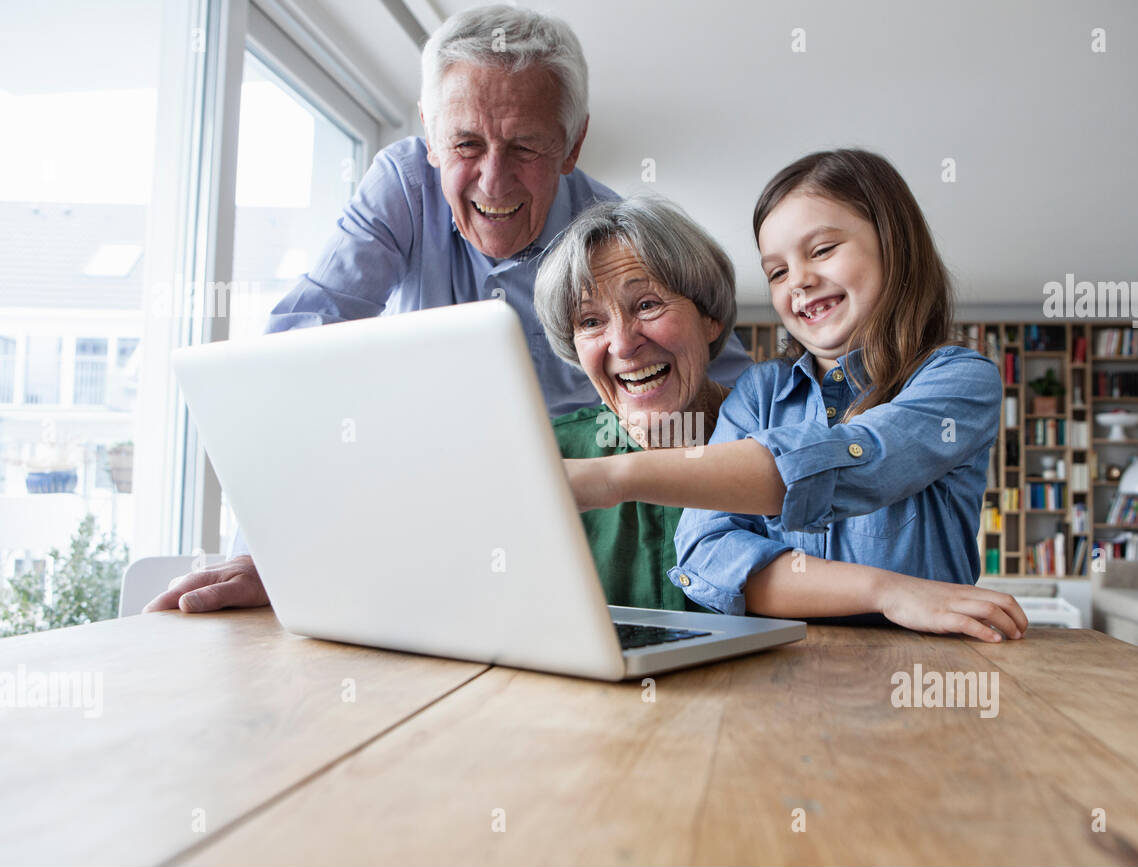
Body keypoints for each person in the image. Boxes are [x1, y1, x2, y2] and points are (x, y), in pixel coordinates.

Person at [145, 4, 750, 615]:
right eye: (465, 144)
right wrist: (283, 554)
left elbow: (731, 393)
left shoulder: (612, 237)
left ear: (572, 145)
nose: (493, 181)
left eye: (525, 147)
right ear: (430, 135)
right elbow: (292, 361)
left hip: (581, 515)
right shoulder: (405, 183)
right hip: (429, 509)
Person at [564, 149, 1028, 642]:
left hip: (920, 676)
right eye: (777, 271)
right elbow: (705, 551)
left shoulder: (957, 379)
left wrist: (612, 477)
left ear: (894, 245)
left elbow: (857, 462)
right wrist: (885, 591)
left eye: (823, 249)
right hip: (781, 683)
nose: (799, 281)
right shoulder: (759, 392)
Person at [538, 197, 736, 610]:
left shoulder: (775, 437)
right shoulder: (546, 456)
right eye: (591, 321)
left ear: (710, 317)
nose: (624, 345)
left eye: (647, 305)